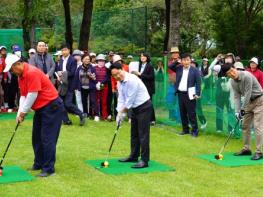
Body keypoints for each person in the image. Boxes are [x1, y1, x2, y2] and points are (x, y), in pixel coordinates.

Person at [4, 53, 64, 177]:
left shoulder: (31, 72)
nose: (11, 71)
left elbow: (32, 95)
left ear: (18, 64)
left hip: (52, 106)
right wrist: (19, 113)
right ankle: (39, 163)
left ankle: (48, 169)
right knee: (36, 137)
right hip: (41, 108)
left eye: (11, 69)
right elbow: (23, 95)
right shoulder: (21, 76)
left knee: (47, 138)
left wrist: (23, 112)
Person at [110, 62, 153, 168]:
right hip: (135, 108)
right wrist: (118, 114)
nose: (117, 77)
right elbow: (121, 99)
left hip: (144, 107)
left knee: (143, 134)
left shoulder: (132, 80)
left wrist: (122, 113)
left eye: (118, 74)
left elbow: (129, 100)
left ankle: (144, 160)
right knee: (134, 133)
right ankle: (134, 156)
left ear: (122, 69)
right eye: (114, 76)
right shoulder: (119, 83)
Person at [220, 63, 263, 160]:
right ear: (227, 75)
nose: (232, 73)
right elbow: (236, 96)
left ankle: (259, 152)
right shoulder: (232, 82)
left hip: (259, 100)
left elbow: (248, 93)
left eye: (232, 70)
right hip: (248, 104)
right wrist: (237, 111)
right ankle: (246, 149)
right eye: (228, 73)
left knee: (257, 126)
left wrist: (242, 110)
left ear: (234, 68)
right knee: (245, 126)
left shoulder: (246, 75)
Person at [169, 53, 201, 137]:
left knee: (191, 113)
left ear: (190, 61)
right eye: (184, 60)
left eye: (187, 60)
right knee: (182, 113)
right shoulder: (179, 68)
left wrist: (197, 93)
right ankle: (185, 130)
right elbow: (170, 67)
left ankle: (195, 131)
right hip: (180, 93)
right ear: (182, 61)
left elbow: (198, 83)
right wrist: (177, 61)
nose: (186, 62)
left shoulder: (195, 70)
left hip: (190, 94)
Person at [56, 43, 86, 126]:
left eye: (65, 50)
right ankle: (66, 120)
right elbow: (59, 70)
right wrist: (58, 75)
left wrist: (62, 73)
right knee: (60, 103)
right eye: (62, 50)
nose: (63, 52)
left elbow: (72, 73)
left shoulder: (73, 60)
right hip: (62, 85)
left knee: (68, 103)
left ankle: (81, 114)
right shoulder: (61, 59)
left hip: (70, 85)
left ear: (69, 50)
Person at [132, 53, 156, 125]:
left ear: (147, 57)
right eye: (141, 56)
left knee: (149, 103)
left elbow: (151, 77)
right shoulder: (139, 66)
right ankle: (143, 118)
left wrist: (140, 74)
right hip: (140, 88)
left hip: (148, 88)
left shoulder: (150, 66)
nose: (142, 57)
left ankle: (152, 119)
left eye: (144, 56)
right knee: (141, 103)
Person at [94, 54, 109, 121]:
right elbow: (93, 77)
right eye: (100, 60)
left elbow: (107, 78)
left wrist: (101, 83)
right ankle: (96, 115)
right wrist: (97, 83)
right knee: (96, 101)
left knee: (104, 101)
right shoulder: (94, 68)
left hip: (104, 87)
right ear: (97, 61)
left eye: (102, 61)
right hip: (96, 86)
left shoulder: (107, 69)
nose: (101, 62)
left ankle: (104, 116)